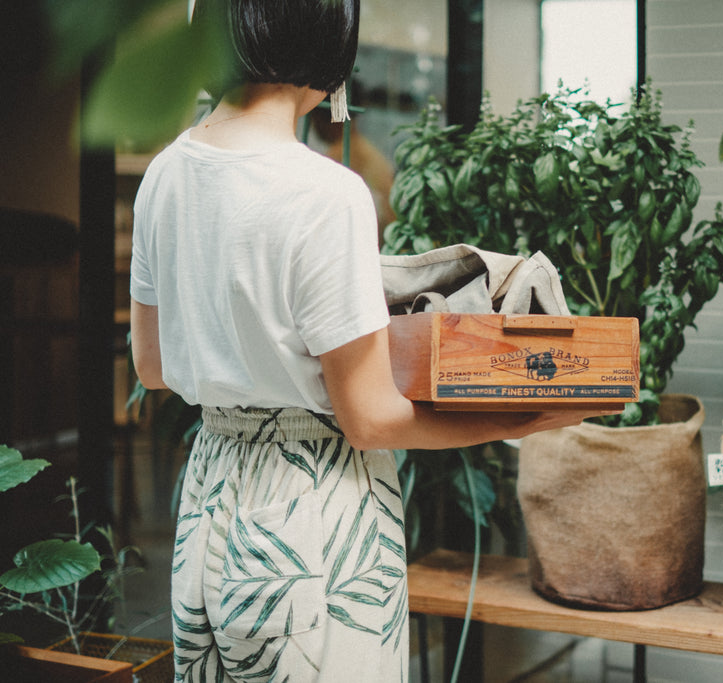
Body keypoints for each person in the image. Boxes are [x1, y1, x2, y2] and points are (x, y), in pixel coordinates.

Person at [129, 1, 614, 681]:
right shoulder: (326, 193)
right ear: (326, 35)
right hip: (313, 514)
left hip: (210, 493)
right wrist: (527, 415)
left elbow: (151, 367)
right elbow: (370, 418)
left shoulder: (163, 176)